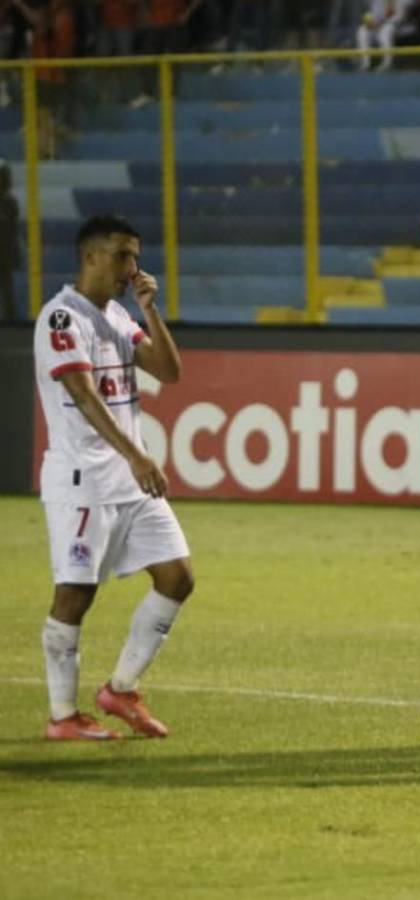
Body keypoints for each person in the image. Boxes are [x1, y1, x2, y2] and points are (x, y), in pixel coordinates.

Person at [34, 213, 194, 741]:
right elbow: (82, 395)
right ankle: (62, 717)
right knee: (75, 595)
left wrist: (151, 312)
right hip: (83, 480)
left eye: (137, 256)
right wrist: (137, 456)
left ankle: (121, 690)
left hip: (128, 481)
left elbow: (168, 371)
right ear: (91, 256)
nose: (133, 267)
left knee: (177, 578)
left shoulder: (120, 318)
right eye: (124, 255)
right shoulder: (62, 319)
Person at [0, 162, 18, 321]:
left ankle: (9, 318)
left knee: (7, 287)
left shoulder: (9, 202)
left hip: (5, 252)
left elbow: (10, 229)